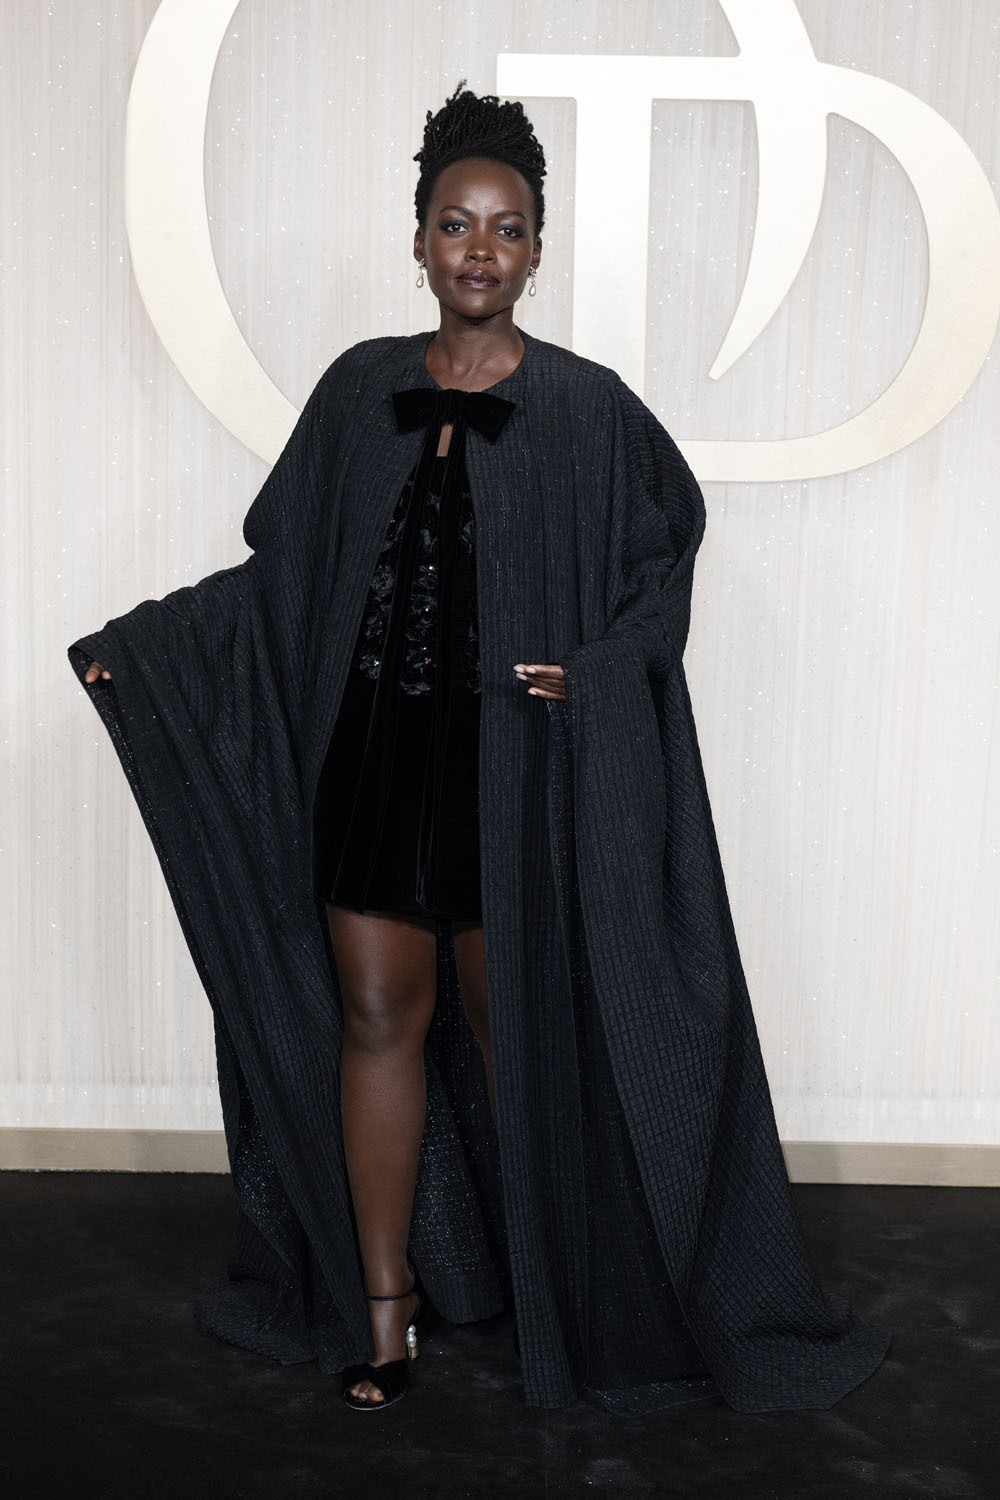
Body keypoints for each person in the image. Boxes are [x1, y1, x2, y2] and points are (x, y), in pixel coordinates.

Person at [73, 84, 890, 1416]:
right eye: (455, 224)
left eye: (507, 230)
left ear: (537, 252)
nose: (479, 250)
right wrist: (147, 651)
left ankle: (558, 1305)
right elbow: (286, 580)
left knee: (523, 1039)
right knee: (377, 1022)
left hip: (511, 774)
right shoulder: (358, 391)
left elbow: (663, 559)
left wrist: (603, 668)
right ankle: (384, 1312)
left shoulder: (586, 410)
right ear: (418, 240)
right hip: (374, 765)